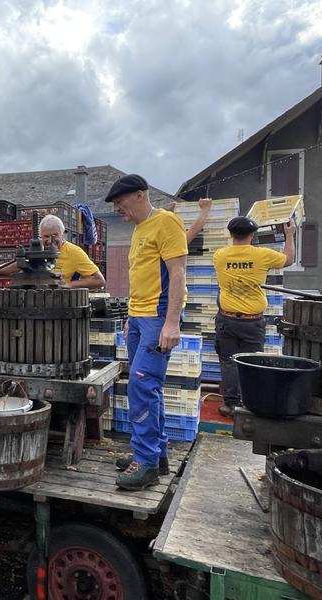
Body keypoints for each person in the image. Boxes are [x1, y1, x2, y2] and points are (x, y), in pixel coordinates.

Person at [104, 174, 188, 491]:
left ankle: (147, 463)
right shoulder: (140, 229)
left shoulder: (166, 223)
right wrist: (130, 316)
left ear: (140, 196)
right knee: (149, 387)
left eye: (121, 203)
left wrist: (171, 322)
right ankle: (157, 453)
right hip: (140, 318)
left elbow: (177, 273)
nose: (118, 210)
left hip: (157, 319)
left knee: (141, 385)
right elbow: (141, 277)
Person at [214, 216, 296, 417]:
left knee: (228, 361)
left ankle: (231, 404)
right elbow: (289, 259)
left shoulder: (220, 256)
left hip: (227, 319)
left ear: (230, 234)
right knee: (251, 362)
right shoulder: (263, 255)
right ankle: (249, 405)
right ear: (252, 234)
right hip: (253, 321)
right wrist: (290, 234)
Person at [0, 214, 106, 289]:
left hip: (59, 306)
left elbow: (99, 280)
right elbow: (16, 266)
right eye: (45, 236)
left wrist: (70, 285)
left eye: (54, 235)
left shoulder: (74, 252)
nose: (49, 240)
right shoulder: (39, 249)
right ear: (40, 236)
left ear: (62, 234)